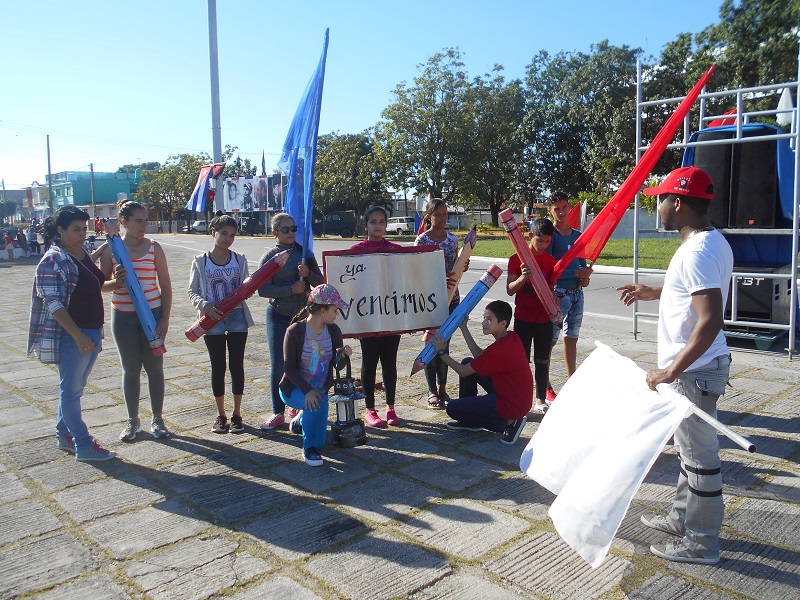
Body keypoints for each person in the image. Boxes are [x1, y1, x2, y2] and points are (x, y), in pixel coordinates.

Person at [617, 166, 733, 565]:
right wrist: (655, 292)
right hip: (700, 368)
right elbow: (693, 290)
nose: (657, 207)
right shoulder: (712, 241)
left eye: (660, 199)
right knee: (688, 453)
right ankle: (681, 518)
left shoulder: (697, 251)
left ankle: (702, 543)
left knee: (701, 461)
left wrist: (669, 372)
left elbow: (710, 318)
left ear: (678, 203)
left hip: (694, 372)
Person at [27, 206, 124, 461]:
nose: (82, 234)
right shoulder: (53, 260)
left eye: (85, 229)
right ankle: (83, 444)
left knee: (74, 389)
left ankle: (64, 435)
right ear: (60, 231)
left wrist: (118, 282)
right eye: (76, 230)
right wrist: (78, 336)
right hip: (72, 335)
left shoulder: (80, 254)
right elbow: (54, 303)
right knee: (70, 392)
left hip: (91, 330)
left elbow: (97, 285)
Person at [97, 200, 172, 442]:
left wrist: (165, 318)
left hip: (152, 316)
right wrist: (116, 283)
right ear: (124, 223)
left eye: (146, 220)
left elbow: (166, 286)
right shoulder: (112, 250)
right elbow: (102, 285)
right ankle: (133, 420)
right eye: (138, 221)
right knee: (130, 369)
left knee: (155, 369)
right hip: (123, 317)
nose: (144, 225)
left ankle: (158, 419)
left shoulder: (154, 247)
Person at [432, 300, 533, 445]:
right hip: (511, 395)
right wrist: (464, 328)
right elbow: (480, 356)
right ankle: (469, 422)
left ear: (503, 323)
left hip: (511, 405)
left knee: (453, 409)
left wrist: (441, 352)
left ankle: (509, 423)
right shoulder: (510, 337)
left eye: (489, 319)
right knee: (468, 361)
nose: (484, 323)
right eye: (484, 318)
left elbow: (462, 372)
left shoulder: (500, 350)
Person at [188, 212, 254, 433]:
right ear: (213, 232)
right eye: (224, 233)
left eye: (232, 235)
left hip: (236, 318)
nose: (227, 239)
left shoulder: (240, 259)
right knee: (218, 366)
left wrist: (248, 292)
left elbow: (246, 285)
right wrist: (204, 305)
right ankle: (220, 414)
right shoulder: (201, 261)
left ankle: (237, 414)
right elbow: (192, 291)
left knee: (237, 365)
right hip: (212, 319)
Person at [258, 213, 323, 430]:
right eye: (285, 229)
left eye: (293, 228)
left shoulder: (304, 254)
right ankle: (278, 411)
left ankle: (300, 405)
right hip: (278, 316)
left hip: (303, 318)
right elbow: (262, 288)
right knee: (279, 365)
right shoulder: (270, 256)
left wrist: (308, 274)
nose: (290, 233)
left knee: (305, 364)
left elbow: (321, 282)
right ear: (274, 232)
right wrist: (289, 290)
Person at [280, 284, 352, 466]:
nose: (336, 314)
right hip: (295, 389)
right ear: (322, 310)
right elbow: (289, 368)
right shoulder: (295, 331)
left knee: (322, 441)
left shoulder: (333, 331)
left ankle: (301, 422)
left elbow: (338, 366)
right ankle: (308, 448)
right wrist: (307, 391)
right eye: (334, 310)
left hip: (320, 390)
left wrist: (343, 356)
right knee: (313, 407)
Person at [350, 206, 403, 428]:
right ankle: (370, 409)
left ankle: (390, 406)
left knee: (389, 362)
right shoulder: (355, 251)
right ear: (366, 224)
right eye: (373, 221)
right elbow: (348, 283)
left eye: (382, 221)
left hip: (392, 316)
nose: (378, 225)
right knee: (369, 362)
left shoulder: (397, 250)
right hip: (368, 317)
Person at [413, 199, 465, 409]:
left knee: (444, 346)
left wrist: (464, 264)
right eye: (438, 214)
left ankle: (443, 388)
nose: (443, 218)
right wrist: (435, 279)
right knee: (430, 344)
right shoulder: (422, 241)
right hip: (429, 301)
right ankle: (431, 390)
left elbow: (456, 268)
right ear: (428, 217)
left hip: (451, 299)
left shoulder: (453, 240)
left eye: (445, 214)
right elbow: (415, 273)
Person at [506, 217, 558, 415]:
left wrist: (555, 301)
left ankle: (540, 400)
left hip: (544, 320)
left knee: (543, 361)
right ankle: (522, 399)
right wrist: (522, 278)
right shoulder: (515, 260)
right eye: (540, 240)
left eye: (547, 241)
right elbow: (510, 290)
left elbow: (552, 290)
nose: (544, 245)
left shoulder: (551, 262)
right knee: (522, 361)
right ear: (530, 236)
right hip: (523, 319)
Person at [545, 191, 593, 402]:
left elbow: (581, 264)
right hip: (558, 293)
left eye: (564, 207)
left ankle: (572, 379)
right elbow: (549, 269)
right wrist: (575, 273)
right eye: (557, 208)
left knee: (571, 338)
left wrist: (585, 276)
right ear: (550, 211)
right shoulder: (550, 236)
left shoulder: (577, 235)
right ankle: (544, 384)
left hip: (576, 293)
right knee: (550, 340)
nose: (562, 212)